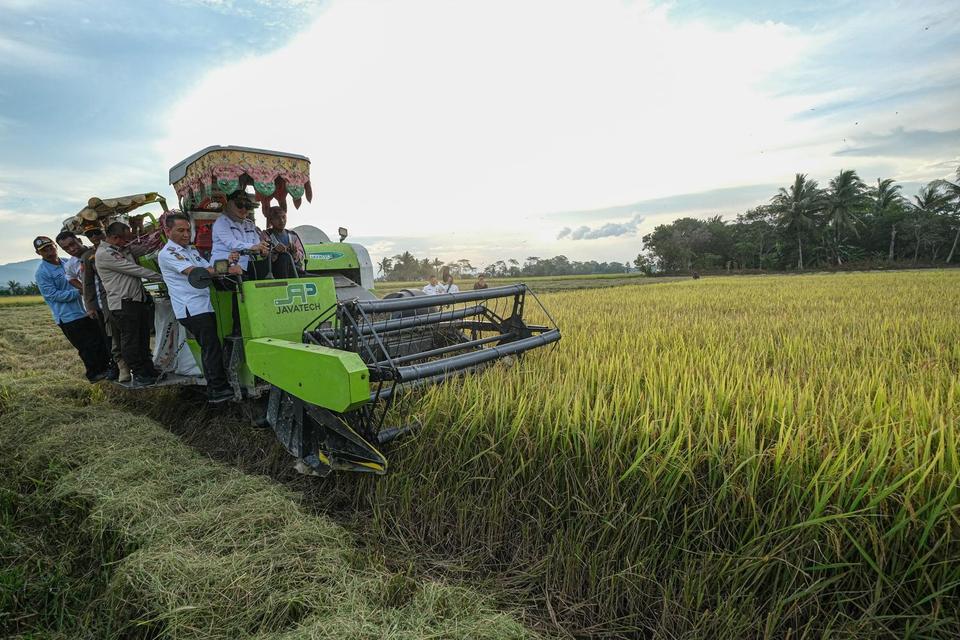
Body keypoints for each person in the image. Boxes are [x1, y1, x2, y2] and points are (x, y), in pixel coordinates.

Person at [158, 213, 240, 403]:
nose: (186, 234)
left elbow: (210, 267)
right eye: (181, 230)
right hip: (191, 308)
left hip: (203, 305)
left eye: (188, 230)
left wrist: (228, 261)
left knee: (212, 346)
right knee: (210, 347)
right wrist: (228, 269)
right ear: (167, 231)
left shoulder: (191, 250)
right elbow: (197, 273)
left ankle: (217, 387)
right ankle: (217, 389)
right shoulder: (168, 253)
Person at [33, 236, 111, 382]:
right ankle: (94, 375)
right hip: (69, 316)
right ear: (39, 253)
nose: (49, 251)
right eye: (44, 250)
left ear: (55, 246)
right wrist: (80, 291)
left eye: (50, 247)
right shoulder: (42, 272)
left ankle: (107, 370)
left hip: (86, 309)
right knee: (86, 347)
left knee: (100, 341)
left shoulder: (67, 262)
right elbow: (52, 295)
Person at [97, 220, 163, 386]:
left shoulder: (119, 249)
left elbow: (141, 250)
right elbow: (134, 269)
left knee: (143, 338)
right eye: (126, 239)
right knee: (131, 341)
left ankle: (149, 369)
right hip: (124, 303)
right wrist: (162, 277)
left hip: (136, 300)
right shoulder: (105, 253)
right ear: (115, 238)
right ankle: (139, 372)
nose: (128, 243)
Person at [81, 222, 125, 381]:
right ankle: (119, 365)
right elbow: (88, 283)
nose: (94, 237)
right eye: (89, 235)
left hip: (129, 291)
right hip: (108, 297)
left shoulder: (119, 247)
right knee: (113, 331)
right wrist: (90, 306)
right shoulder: (88, 256)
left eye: (96, 232)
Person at [212, 189, 269, 278]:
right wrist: (253, 247)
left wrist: (262, 250)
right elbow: (232, 244)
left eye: (247, 206)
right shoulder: (221, 222)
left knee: (276, 262)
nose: (244, 209)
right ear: (228, 204)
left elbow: (257, 245)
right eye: (239, 204)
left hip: (247, 265)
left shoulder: (250, 224)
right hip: (224, 266)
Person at [264, 206, 306, 279]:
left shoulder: (293, 235)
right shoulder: (266, 234)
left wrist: (295, 252)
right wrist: (274, 250)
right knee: (284, 257)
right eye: (277, 218)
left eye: (284, 217)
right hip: (275, 273)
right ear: (271, 220)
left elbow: (302, 255)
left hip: (295, 270)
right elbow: (263, 254)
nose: (282, 221)